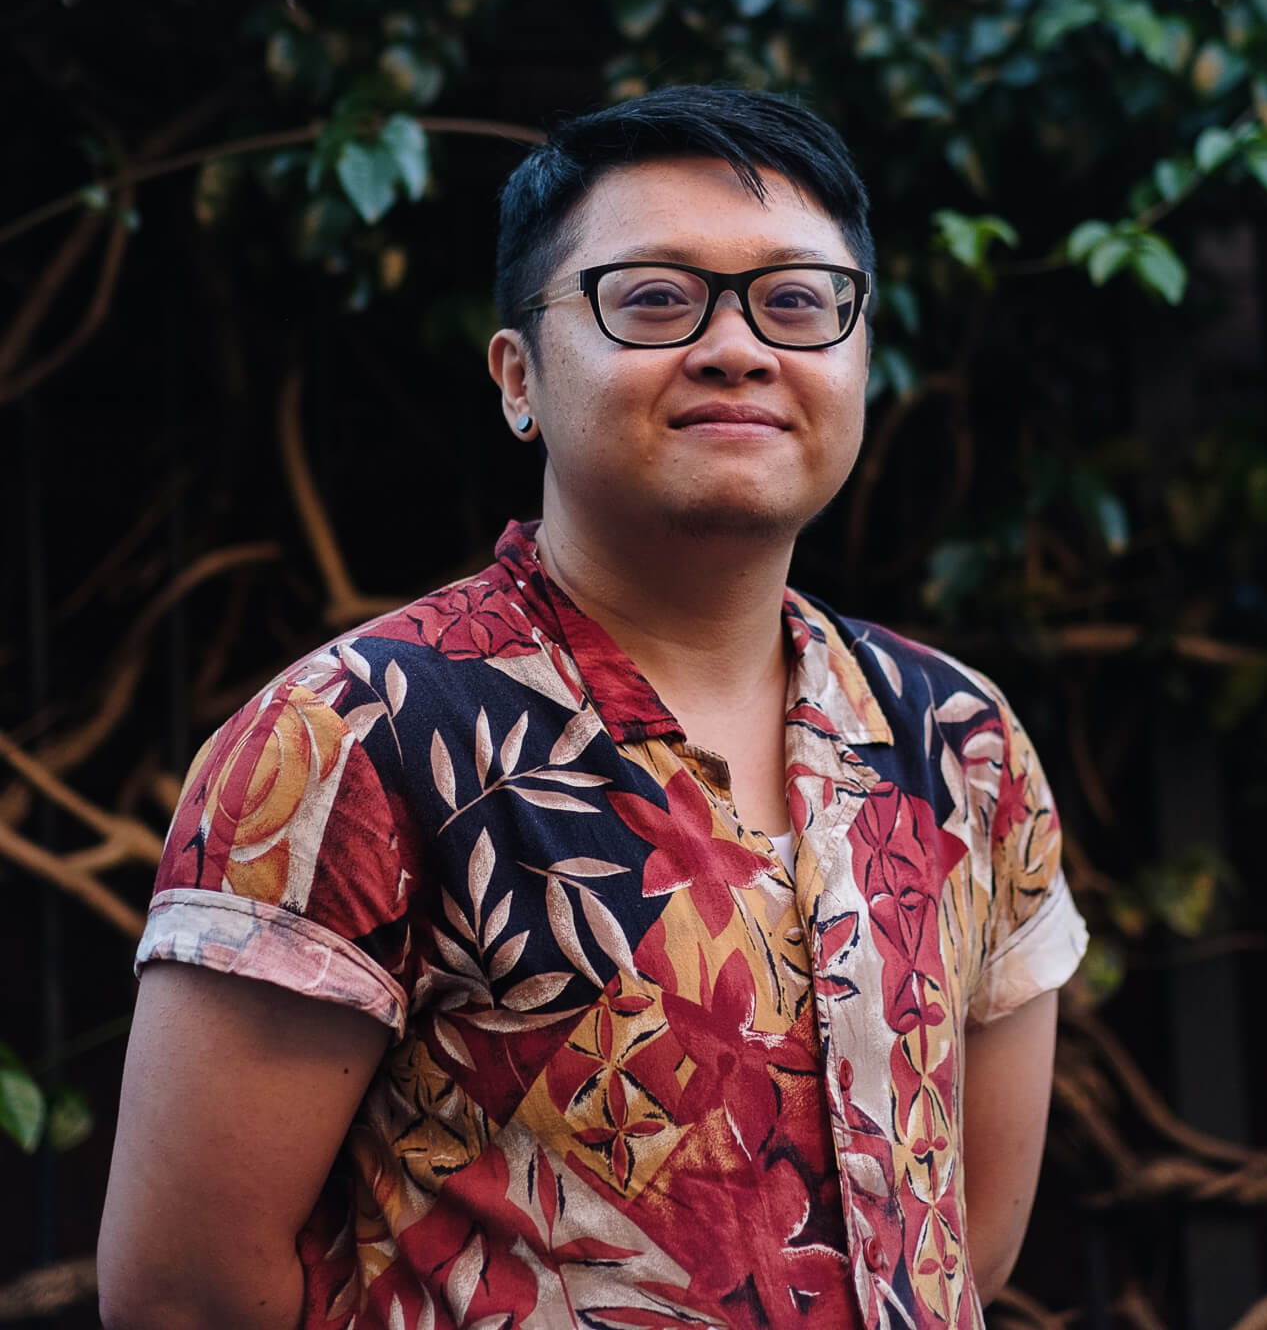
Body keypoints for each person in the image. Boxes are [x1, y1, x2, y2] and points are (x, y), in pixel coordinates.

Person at [98, 84, 1087, 1330]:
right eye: (655, 298)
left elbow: (959, 1247)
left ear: (860, 359)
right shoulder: (354, 736)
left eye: (796, 302)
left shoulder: (960, 744)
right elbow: (183, 1295)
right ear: (518, 375)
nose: (739, 347)